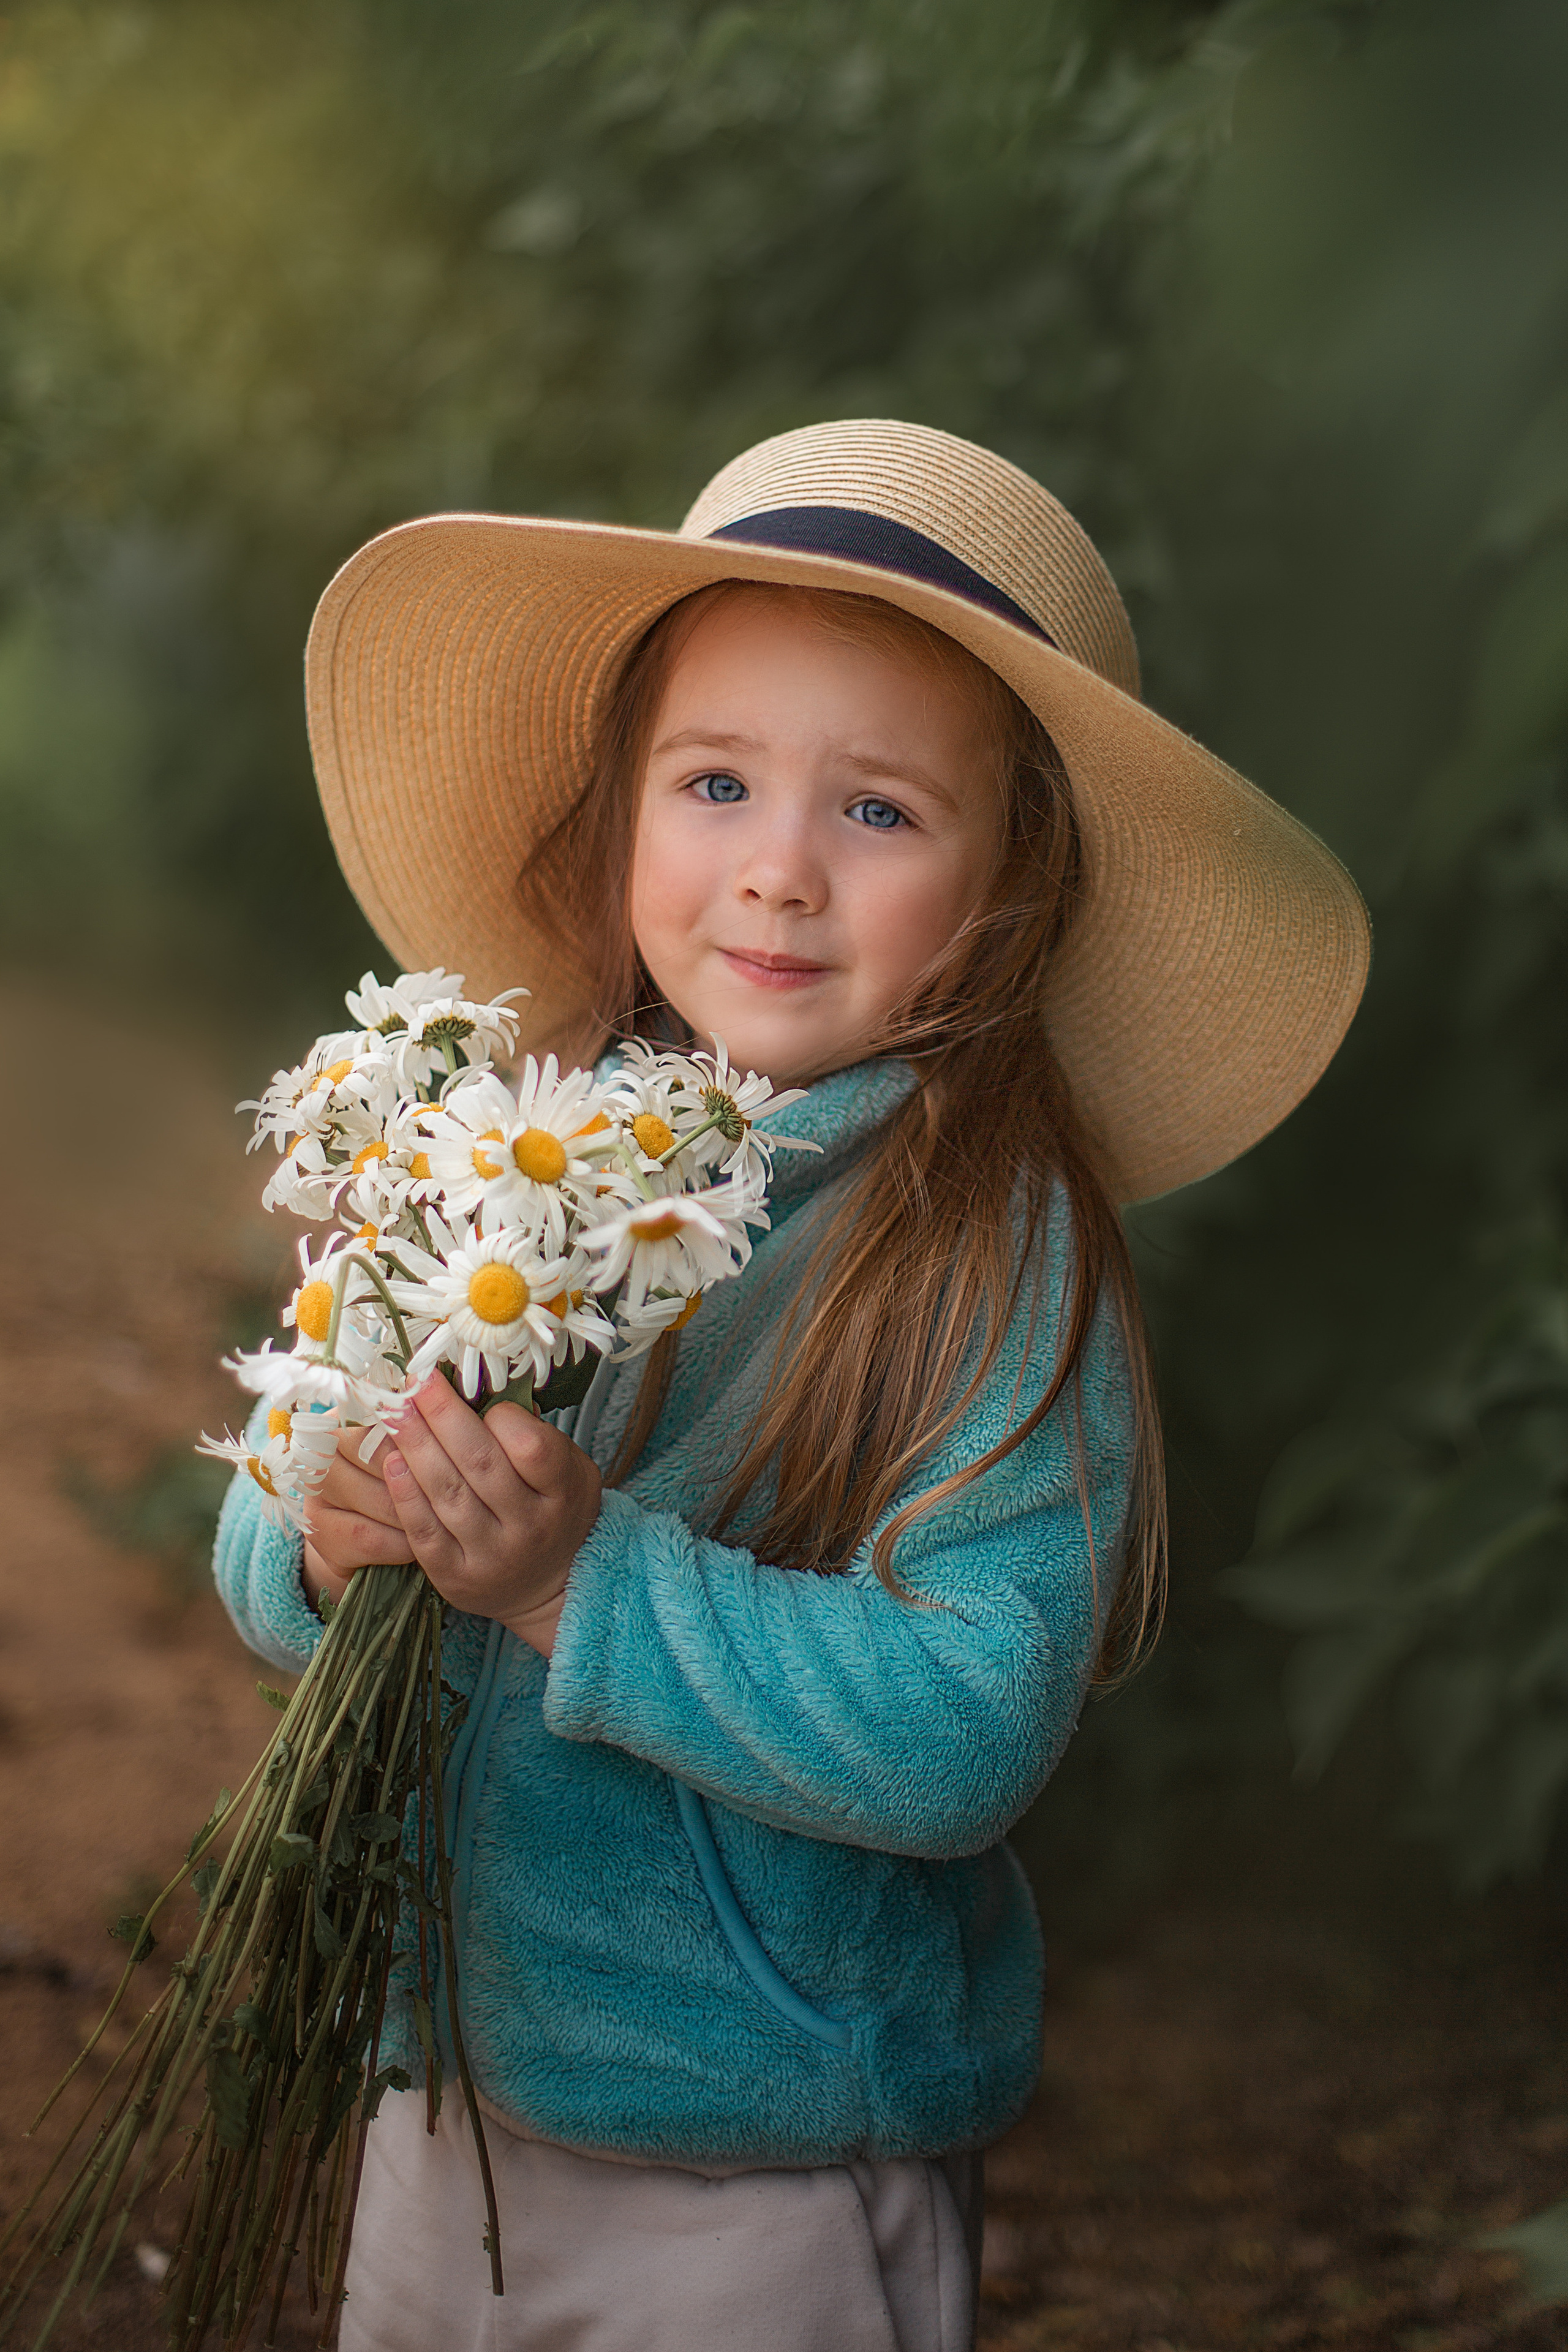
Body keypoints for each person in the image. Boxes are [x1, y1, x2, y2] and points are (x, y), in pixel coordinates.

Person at [214, 419, 1369, 2351]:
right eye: (720, 781)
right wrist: (323, 1537)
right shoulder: (521, 1146)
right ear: (622, 814)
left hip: (759, 2178)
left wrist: (588, 1587)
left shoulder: (984, 1245)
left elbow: (968, 1719)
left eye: (881, 814)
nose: (777, 873)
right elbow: (280, 1523)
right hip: (441, 2109)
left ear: (1013, 892)